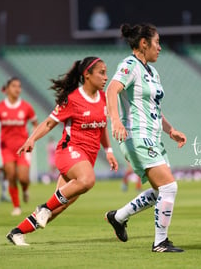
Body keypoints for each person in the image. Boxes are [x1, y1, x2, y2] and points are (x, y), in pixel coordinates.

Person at [6, 56, 118, 246]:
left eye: (106, 73)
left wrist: (108, 150)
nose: (106, 77)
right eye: (101, 73)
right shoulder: (73, 99)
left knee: (58, 206)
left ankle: (17, 232)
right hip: (69, 152)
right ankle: (43, 207)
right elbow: (50, 122)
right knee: (88, 180)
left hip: (86, 158)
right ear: (87, 75)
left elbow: (101, 127)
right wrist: (32, 138)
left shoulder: (104, 99)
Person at [105, 23, 187, 253]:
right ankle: (160, 242)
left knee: (160, 190)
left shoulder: (152, 71)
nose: (159, 48)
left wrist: (170, 130)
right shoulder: (129, 65)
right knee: (169, 187)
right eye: (157, 42)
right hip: (136, 136)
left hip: (153, 137)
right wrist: (116, 120)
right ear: (144, 44)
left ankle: (118, 217)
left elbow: (153, 109)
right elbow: (111, 90)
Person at [0, 77, 38, 216]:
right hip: (6, 148)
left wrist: (32, 137)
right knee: (11, 175)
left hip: (23, 148)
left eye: (19, 86)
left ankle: (25, 189)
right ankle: (16, 206)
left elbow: (35, 124)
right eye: (14, 86)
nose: (17, 89)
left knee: (23, 178)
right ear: (7, 88)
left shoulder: (26, 107)